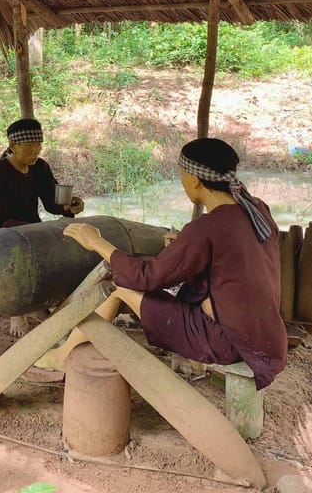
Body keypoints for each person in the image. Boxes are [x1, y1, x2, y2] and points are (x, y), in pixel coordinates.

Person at [38, 138, 287, 390]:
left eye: (182, 176)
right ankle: (68, 351)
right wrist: (183, 245)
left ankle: (62, 356)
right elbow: (232, 259)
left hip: (227, 341)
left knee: (117, 287)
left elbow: (148, 277)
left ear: (194, 179)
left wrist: (97, 242)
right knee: (144, 287)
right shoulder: (257, 209)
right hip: (265, 338)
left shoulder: (207, 228)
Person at [0, 118, 85, 335]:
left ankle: (40, 304)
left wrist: (70, 205)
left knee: (58, 251)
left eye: (39, 145)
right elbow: (0, 221)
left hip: (32, 229)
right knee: (16, 259)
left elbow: (52, 204)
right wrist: (42, 233)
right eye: (29, 146)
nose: (35, 151)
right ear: (13, 146)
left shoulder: (40, 167)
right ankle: (17, 311)